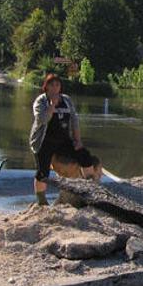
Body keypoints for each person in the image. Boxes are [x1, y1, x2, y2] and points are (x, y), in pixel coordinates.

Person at [29, 73, 101, 205]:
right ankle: (41, 201)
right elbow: (42, 120)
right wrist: (52, 105)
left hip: (63, 140)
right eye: (52, 85)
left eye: (57, 85)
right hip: (43, 141)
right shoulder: (41, 101)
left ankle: (90, 188)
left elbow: (74, 121)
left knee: (85, 155)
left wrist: (78, 140)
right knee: (43, 172)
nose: (55, 88)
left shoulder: (67, 100)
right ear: (46, 87)